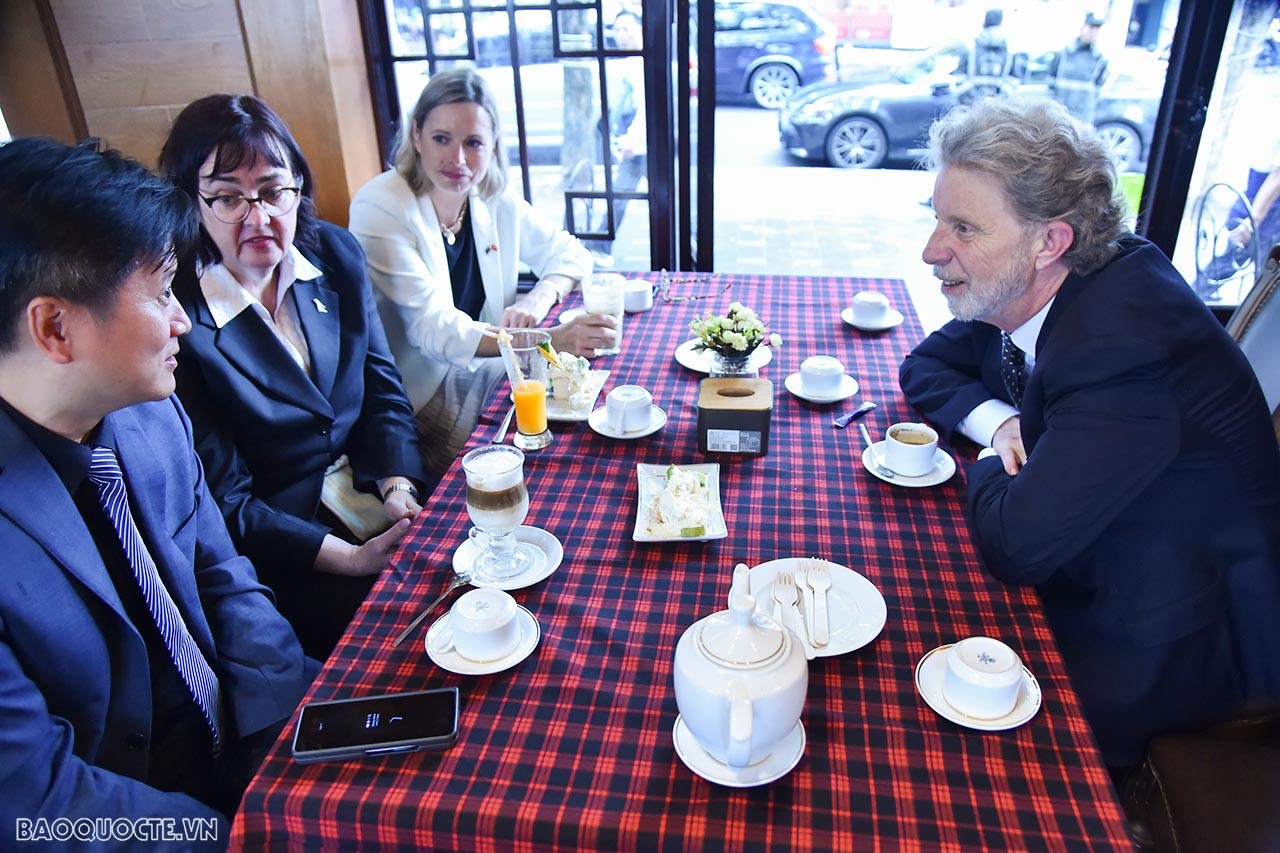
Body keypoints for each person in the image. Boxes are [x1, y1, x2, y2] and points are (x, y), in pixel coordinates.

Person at [899, 97, 1280, 774]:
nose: (933, 250)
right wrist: (1004, 421)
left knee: (945, 744)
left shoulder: (1125, 349)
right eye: (937, 219)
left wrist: (989, 456)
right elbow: (925, 363)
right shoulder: (1036, 285)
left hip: (1167, 633)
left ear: (1051, 240)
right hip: (1089, 550)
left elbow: (1015, 544)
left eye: (964, 227)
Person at [0, 137, 312, 841]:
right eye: (163, 292)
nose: (183, 321)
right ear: (55, 326)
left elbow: (223, 573)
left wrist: (288, 735)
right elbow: (37, 799)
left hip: (244, 731)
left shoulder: (150, 409)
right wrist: (233, 836)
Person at [159, 94, 427, 659]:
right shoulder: (178, 317)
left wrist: (397, 486)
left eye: (274, 191)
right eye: (228, 197)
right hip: (288, 544)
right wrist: (349, 558)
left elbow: (382, 392)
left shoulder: (333, 252)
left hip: (370, 491)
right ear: (191, 202)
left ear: (298, 186)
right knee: (401, 647)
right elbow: (223, 499)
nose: (258, 218)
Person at [349, 68, 606, 476]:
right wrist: (543, 341)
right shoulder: (381, 205)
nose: (458, 159)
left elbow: (570, 253)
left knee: (582, 400)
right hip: (415, 396)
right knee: (544, 442)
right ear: (416, 135)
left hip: (483, 365)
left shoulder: (490, 195)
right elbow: (434, 330)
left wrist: (538, 298)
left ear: (492, 145)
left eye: (473, 143)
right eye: (441, 139)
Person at [584, 9, 647, 268]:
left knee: (627, 195)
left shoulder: (643, 62)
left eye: (626, 29)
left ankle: (600, 246)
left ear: (640, 29)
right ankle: (600, 246)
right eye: (617, 30)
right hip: (633, 145)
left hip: (643, 146)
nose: (620, 35)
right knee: (620, 195)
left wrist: (632, 141)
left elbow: (646, 107)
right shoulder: (626, 62)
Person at [1047, 12, 1110, 124]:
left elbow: (1099, 86)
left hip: (1082, 119)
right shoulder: (1063, 54)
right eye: (1091, 27)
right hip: (1058, 115)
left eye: (1097, 29)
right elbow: (1050, 82)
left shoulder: (1100, 59)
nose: (1093, 32)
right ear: (1082, 27)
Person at [957, 8, 1013, 104]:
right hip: (999, 107)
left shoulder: (970, 46)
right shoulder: (1009, 48)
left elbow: (960, 75)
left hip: (971, 105)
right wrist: (999, 99)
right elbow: (1014, 79)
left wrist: (973, 98)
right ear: (1001, 22)